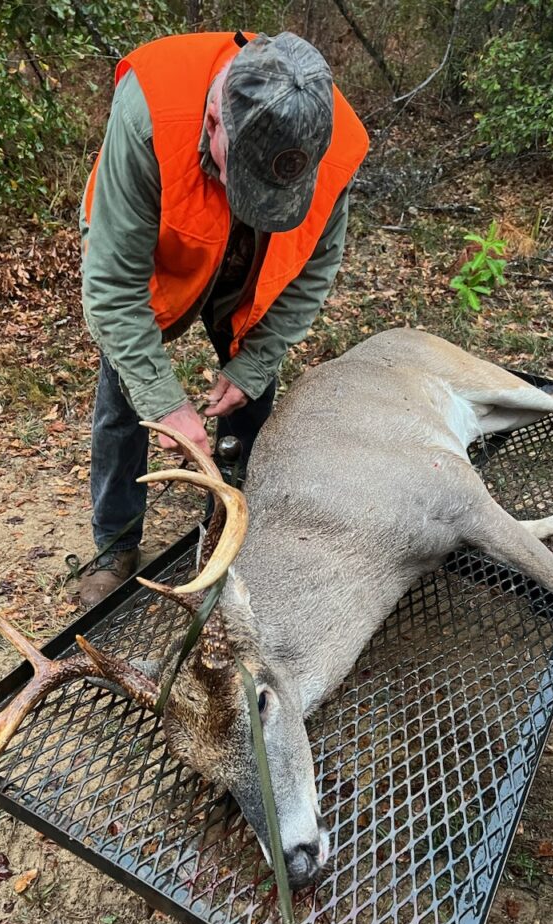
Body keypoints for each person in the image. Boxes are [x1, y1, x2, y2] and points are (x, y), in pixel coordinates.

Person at [78, 29, 369, 608]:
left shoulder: (331, 139)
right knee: (123, 397)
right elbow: (112, 285)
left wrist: (255, 362)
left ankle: (232, 523)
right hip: (163, 250)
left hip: (253, 267)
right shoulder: (150, 111)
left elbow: (314, 268)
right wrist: (163, 402)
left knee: (252, 400)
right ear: (214, 119)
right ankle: (115, 544)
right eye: (246, 181)